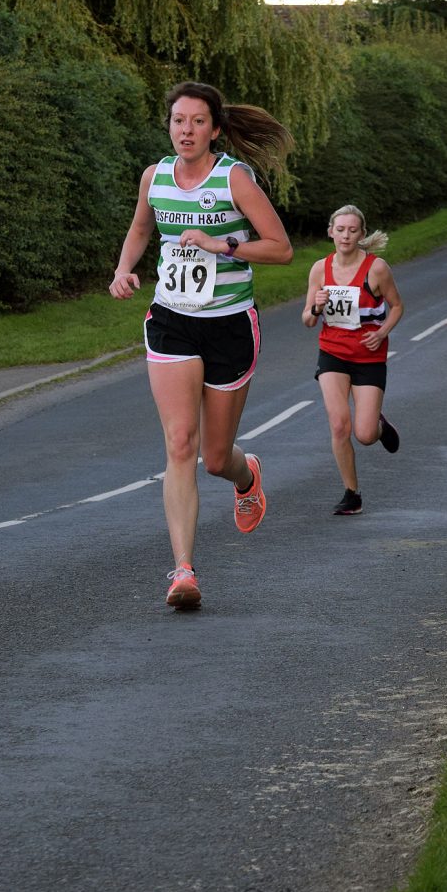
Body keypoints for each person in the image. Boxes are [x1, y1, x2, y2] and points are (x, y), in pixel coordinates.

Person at [109, 80, 294, 609]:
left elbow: (280, 250)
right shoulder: (155, 177)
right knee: (180, 444)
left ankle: (246, 472)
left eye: (195, 122)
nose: (185, 130)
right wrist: (124, 270)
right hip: (172, 320)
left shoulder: (234, 178)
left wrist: (223, 243)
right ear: (168, 126)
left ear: (214, 129)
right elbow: (142, 230)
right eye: (177, 121)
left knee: (214, 458)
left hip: (230, 324)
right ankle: (183, 571)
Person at [302, 205, 404, 515]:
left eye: (353, 230)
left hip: (368, 356)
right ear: (330, 231)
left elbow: (397, 306)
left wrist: (382, 332)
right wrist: (317, 307)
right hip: (332, 352)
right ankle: (351, 492)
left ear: (361, 234)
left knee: (364, 434)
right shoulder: (320, 269)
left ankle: (378, 426)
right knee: (338, 426)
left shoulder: (376, 269)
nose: (346, 235)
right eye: (341, 229)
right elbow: (307, 319)